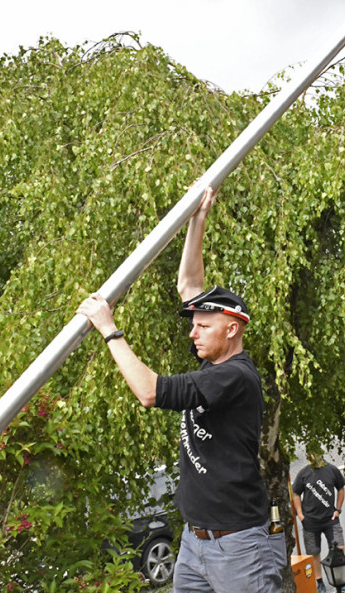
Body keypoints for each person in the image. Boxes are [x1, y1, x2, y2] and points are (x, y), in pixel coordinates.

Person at [78, 187, 283, 593]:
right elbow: (189, 284)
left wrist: (109, 328)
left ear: (233, 328)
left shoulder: (234, 377)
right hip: (193, 543)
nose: (193, 334)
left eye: (202, 326)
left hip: (238, 547)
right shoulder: (215, 359)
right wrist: (197, 219)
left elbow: (149, 392)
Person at [291, 453, 345, 593]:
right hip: (310, 522)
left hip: (330, 519)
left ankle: (342, 582)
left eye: (315, 453)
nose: (312, 456)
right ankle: (319, 582)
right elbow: (295, 493)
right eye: (310, 454)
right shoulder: (303, 473)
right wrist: (301, 515)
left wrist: (337, 509)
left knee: (339, 549)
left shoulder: (332, 470)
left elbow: (341, 489)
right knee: (314, 553)